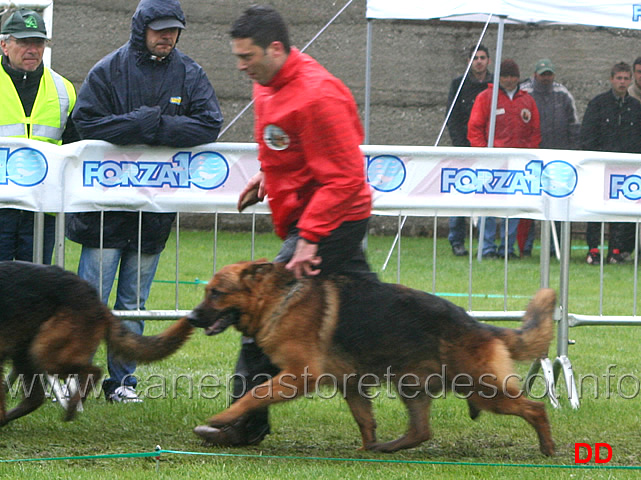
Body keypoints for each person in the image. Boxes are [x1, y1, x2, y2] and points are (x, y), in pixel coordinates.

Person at [193, 5, 373, 447]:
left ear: (276, 48)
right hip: (311, 217)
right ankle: (415, 377)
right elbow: (286, 149)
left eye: (247, 57)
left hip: (333, 221)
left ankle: (243, 423)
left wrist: (310, 239)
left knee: (261, 312)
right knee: (373, 314)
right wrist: (268, 177)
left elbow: (345, 179)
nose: (241, 67)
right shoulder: (267, 83)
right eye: (237, 57)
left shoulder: (319, 95)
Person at [66, 0, 223, 403]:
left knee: (133, 301)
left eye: (173, 31)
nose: (167, 37)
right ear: (142, 30)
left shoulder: (190, 73)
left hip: (152, 212)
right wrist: (139, 123)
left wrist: (156, 125)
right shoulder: (107, 70)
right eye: (159, 30)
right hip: (103, 210)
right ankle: (73, 376)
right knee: (90, 298)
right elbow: (86, 122)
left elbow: (209, 124)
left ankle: (121, 382)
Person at [0, 9, 77, 264]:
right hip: (2, 207)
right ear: (4, 44)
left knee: (34, 287)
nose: (32, 49)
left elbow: (74, 146)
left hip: (41, 210)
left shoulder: (63, 89)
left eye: (38, 42)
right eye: (23, 42)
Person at [467, 59, 541, 259]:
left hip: (517, 162)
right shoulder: (486, 97)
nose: (509, 80)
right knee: (488, 206)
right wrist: (484, 152)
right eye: (505, 76)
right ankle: (487, 247)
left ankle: (508, 248)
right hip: (491, 161)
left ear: (518, 77)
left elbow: (534, 131)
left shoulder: (528, 100)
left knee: (513, 207)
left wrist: (527, 155)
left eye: (512, 76)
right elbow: (475, 128)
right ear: (498, 77)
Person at [581, 62, 641, 265]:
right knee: (596, 209)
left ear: (630, 80)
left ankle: (615, 250)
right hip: (599, 167)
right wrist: (593, 158)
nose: (622, 82)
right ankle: (593, 249)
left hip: (625, 169)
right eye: (619, 78)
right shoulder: (598, 104)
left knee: (619, 210)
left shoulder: (636, 107)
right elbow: (588, 134)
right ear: (611, 79)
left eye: (626, 78)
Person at [519, 58, 580, 256]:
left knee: (560, 203)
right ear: (535, 74)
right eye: (543, 74)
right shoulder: (524, 91)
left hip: (559, 158)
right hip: (531, 157)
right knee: (529, 204)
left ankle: (558, 248)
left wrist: (572, 151)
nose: (546, 78)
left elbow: (573, 124)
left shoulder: (563, 94)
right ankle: (524, 247)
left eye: (549, 74)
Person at [445, 44, 492, 257]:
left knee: (486, 194)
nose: (479, 61)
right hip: (463, 149)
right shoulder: (459, 84)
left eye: (482, 57)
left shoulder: (494, 84)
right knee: (460, 194)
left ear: (488, 61)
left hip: (488, 150)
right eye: (475, 58)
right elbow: (452, 117)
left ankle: (486, 241)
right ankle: (457, 239)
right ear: (469, 61)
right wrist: (461, 145)